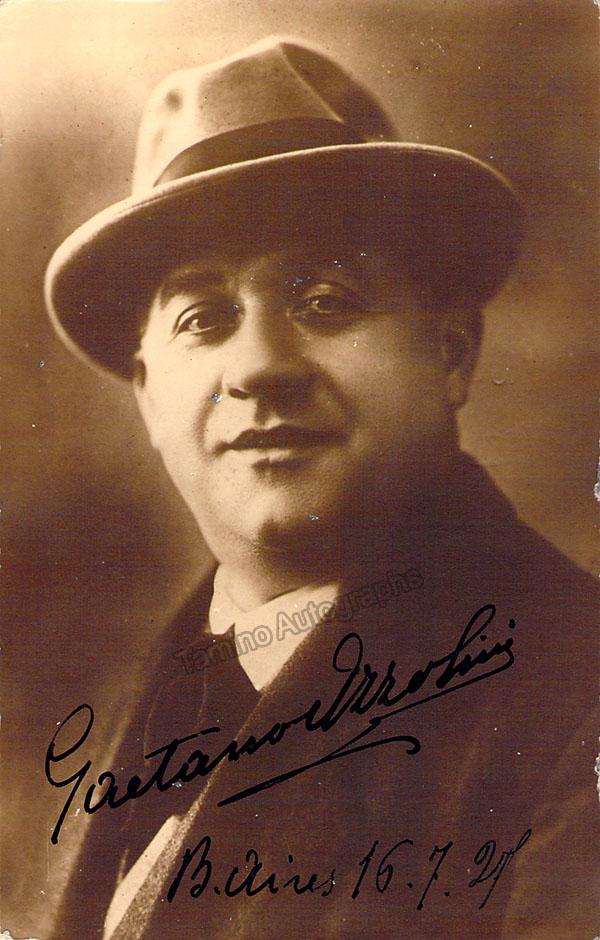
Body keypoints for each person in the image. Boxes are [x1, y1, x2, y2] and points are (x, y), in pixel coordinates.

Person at [44, 36, 597, 940]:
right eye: (203, 318)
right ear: (147, 395)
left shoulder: (576, 701)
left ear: (450, 353)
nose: (258, 367)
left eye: (326, 301)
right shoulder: (114, 723)